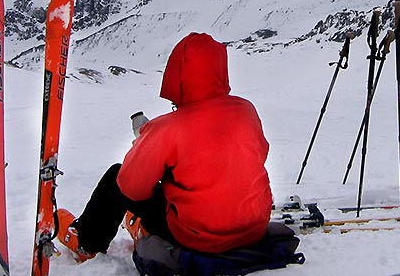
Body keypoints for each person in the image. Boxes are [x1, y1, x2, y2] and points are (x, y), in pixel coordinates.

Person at [57, 32, 273, 262]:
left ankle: (87, 243)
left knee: (116, 177)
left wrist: (145, 148)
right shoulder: (245, 110)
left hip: (197, 235)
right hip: (253, 229)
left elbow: (132, 187)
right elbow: (258, 153)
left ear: (177, 73)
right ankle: (141, 225)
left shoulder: (169, 128)